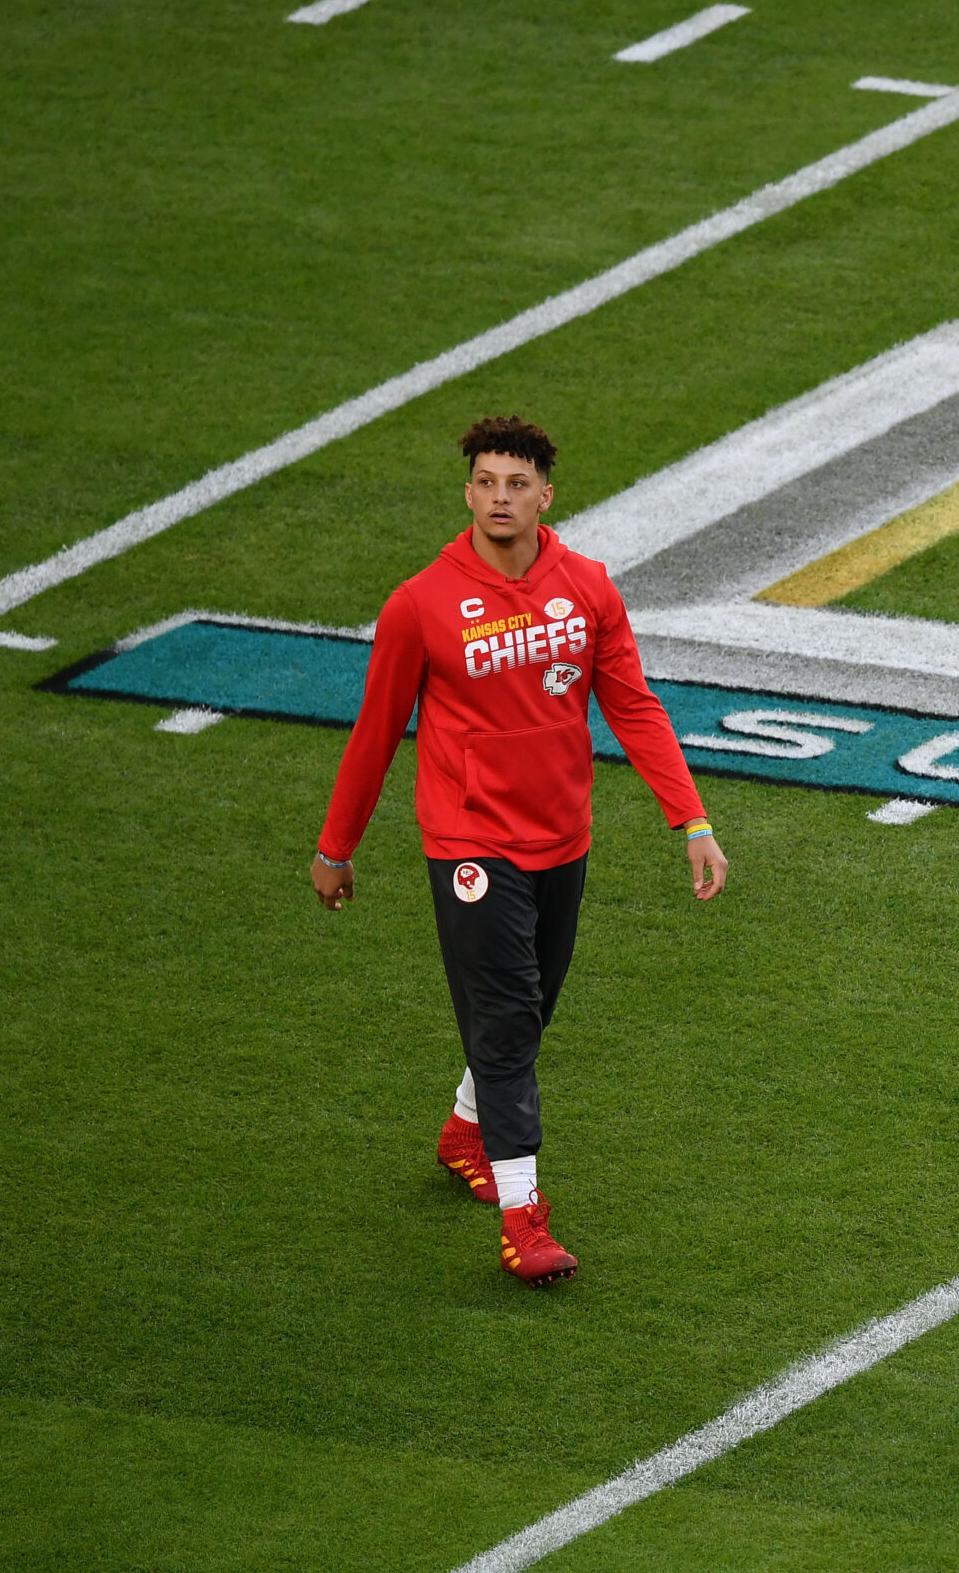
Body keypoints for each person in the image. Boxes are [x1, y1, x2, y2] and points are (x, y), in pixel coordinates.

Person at [309, 415, 727, 1286]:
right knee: (505, 1025)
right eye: (485, 482)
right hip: (469, 844)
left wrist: (690, 820)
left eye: (515, 483)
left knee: (532, 1009)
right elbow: (376, 734)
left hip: (562, 839)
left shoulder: (589, 590)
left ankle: (467, 1130)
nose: (499, 497)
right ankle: (524, 1220)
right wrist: (335, 846)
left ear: (545, 494)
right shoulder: (418, 604)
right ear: (468, 493)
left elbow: (636, 708)